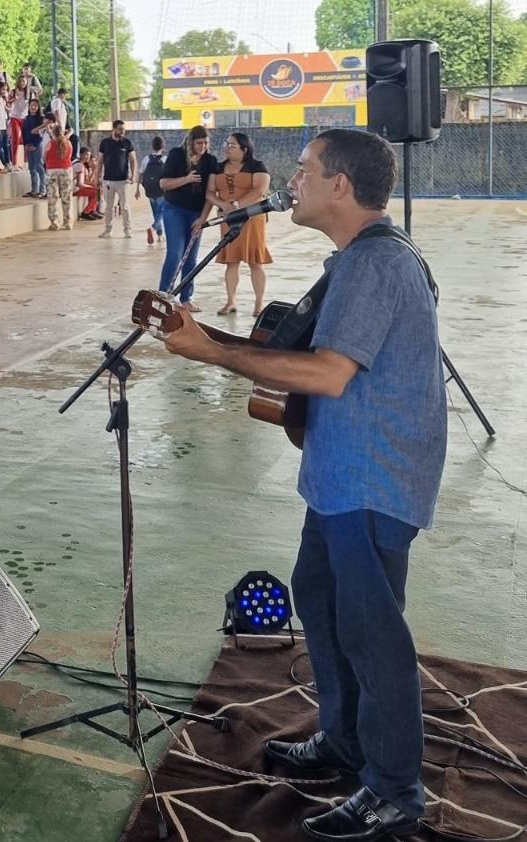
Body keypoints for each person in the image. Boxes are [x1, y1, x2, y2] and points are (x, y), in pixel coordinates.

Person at [162, 128, 444, 842]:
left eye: (307, 168)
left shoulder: (376, 265)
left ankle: (394, 791)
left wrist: (210, 350)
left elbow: (327, 373)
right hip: (342, 473)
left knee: (371, 632)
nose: (293, 177)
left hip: (373, 478)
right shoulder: (356, 259)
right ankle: (345, 741)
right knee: (319, 600)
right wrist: (220, 344)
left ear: (340, 186)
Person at [203, 132, 272, 316]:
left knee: (255, 262)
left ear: (244, 149)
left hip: (252, 218)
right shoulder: (217, 167)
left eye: (232, 145)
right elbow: (209, 192)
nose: (227, 147)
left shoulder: (257, 166)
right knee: (231, 262)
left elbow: (260, 190)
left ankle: (259, 304)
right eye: (227, 143)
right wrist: (224, 205)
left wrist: (237, 206)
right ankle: (231, 301)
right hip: (228, 219)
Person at [158, 125, 219, 310]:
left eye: (206, 143)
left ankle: (186, 297)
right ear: (191, 142)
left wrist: (203, 219)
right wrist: (186, 179)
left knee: (191, 257)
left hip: (196, 213)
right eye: (199, 143)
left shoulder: (210, 161)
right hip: (174, 209)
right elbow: (164, 184)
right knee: (175, 253)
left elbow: (211, 192)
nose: (203, 146)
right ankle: (164, 296)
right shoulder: (177, 155)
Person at [95, 120, 136, 239]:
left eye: (123, 129)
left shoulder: (127, 143)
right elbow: (100, 161)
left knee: (125, 206)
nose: (122, 131)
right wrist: (97, 177)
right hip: (108, 180)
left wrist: (133, 176)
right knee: (108, 207)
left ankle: (127, 230)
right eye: (120, 129)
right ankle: (108, 229)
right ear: (113, 129)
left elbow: (133, 160)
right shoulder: (105, 143)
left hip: (123, 181)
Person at [136, 136, 166, 245]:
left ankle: (160, 235)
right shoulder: (164, 159)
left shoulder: (146, 159)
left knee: (156, 212)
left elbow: (140, 174)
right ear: (163, 146)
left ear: (152, 146)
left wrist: (137, 189)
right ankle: (153, 228)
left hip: (149, 189)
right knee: (162, 212)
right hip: (161, 189)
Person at [44, 124, 73, 231]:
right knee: (67, 197)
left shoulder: (50, 144)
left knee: (53, 198)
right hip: (66, 170)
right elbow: (70, 156)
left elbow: (44, 157)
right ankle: (68, 222)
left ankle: (55, 223)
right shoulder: (68, 143)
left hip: (52, 170)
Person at [21, 98, 48, 199]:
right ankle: (34, 190)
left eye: (35, 106)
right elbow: (24, 133)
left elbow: (41, 135)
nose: (33, 107)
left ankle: (42, 190)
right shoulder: (26, 118)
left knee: (39, 167)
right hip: (28, 146)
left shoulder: (40, 119)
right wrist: (26, 145)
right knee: (31, 168)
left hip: (37, 145)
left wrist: (35, 145)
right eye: (32, 105)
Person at [74, 146, 100, 221]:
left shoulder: (79, 164)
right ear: (81, 155)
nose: (88, 157)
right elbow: (80, 184)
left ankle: (92, 210)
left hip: (74, 187)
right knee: (96, 191)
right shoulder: (80, 165)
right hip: (74, 189)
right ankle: (86, 212)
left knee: (96, 189)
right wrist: (93, 187)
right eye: (86, 155)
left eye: (89, 155)